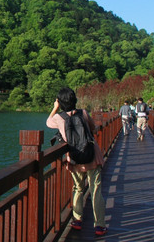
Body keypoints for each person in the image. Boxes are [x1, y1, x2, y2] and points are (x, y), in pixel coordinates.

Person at [46, 87, 108, 236]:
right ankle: (99, 225)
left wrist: (55, 108)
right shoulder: (83, 113)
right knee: (96, 190)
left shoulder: (59, 118)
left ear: (60, 102)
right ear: (75, 100)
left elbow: (48, 122)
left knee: (78, 188)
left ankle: (77, 220)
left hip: (75, 158)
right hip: (92, 156)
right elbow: (93, 128)